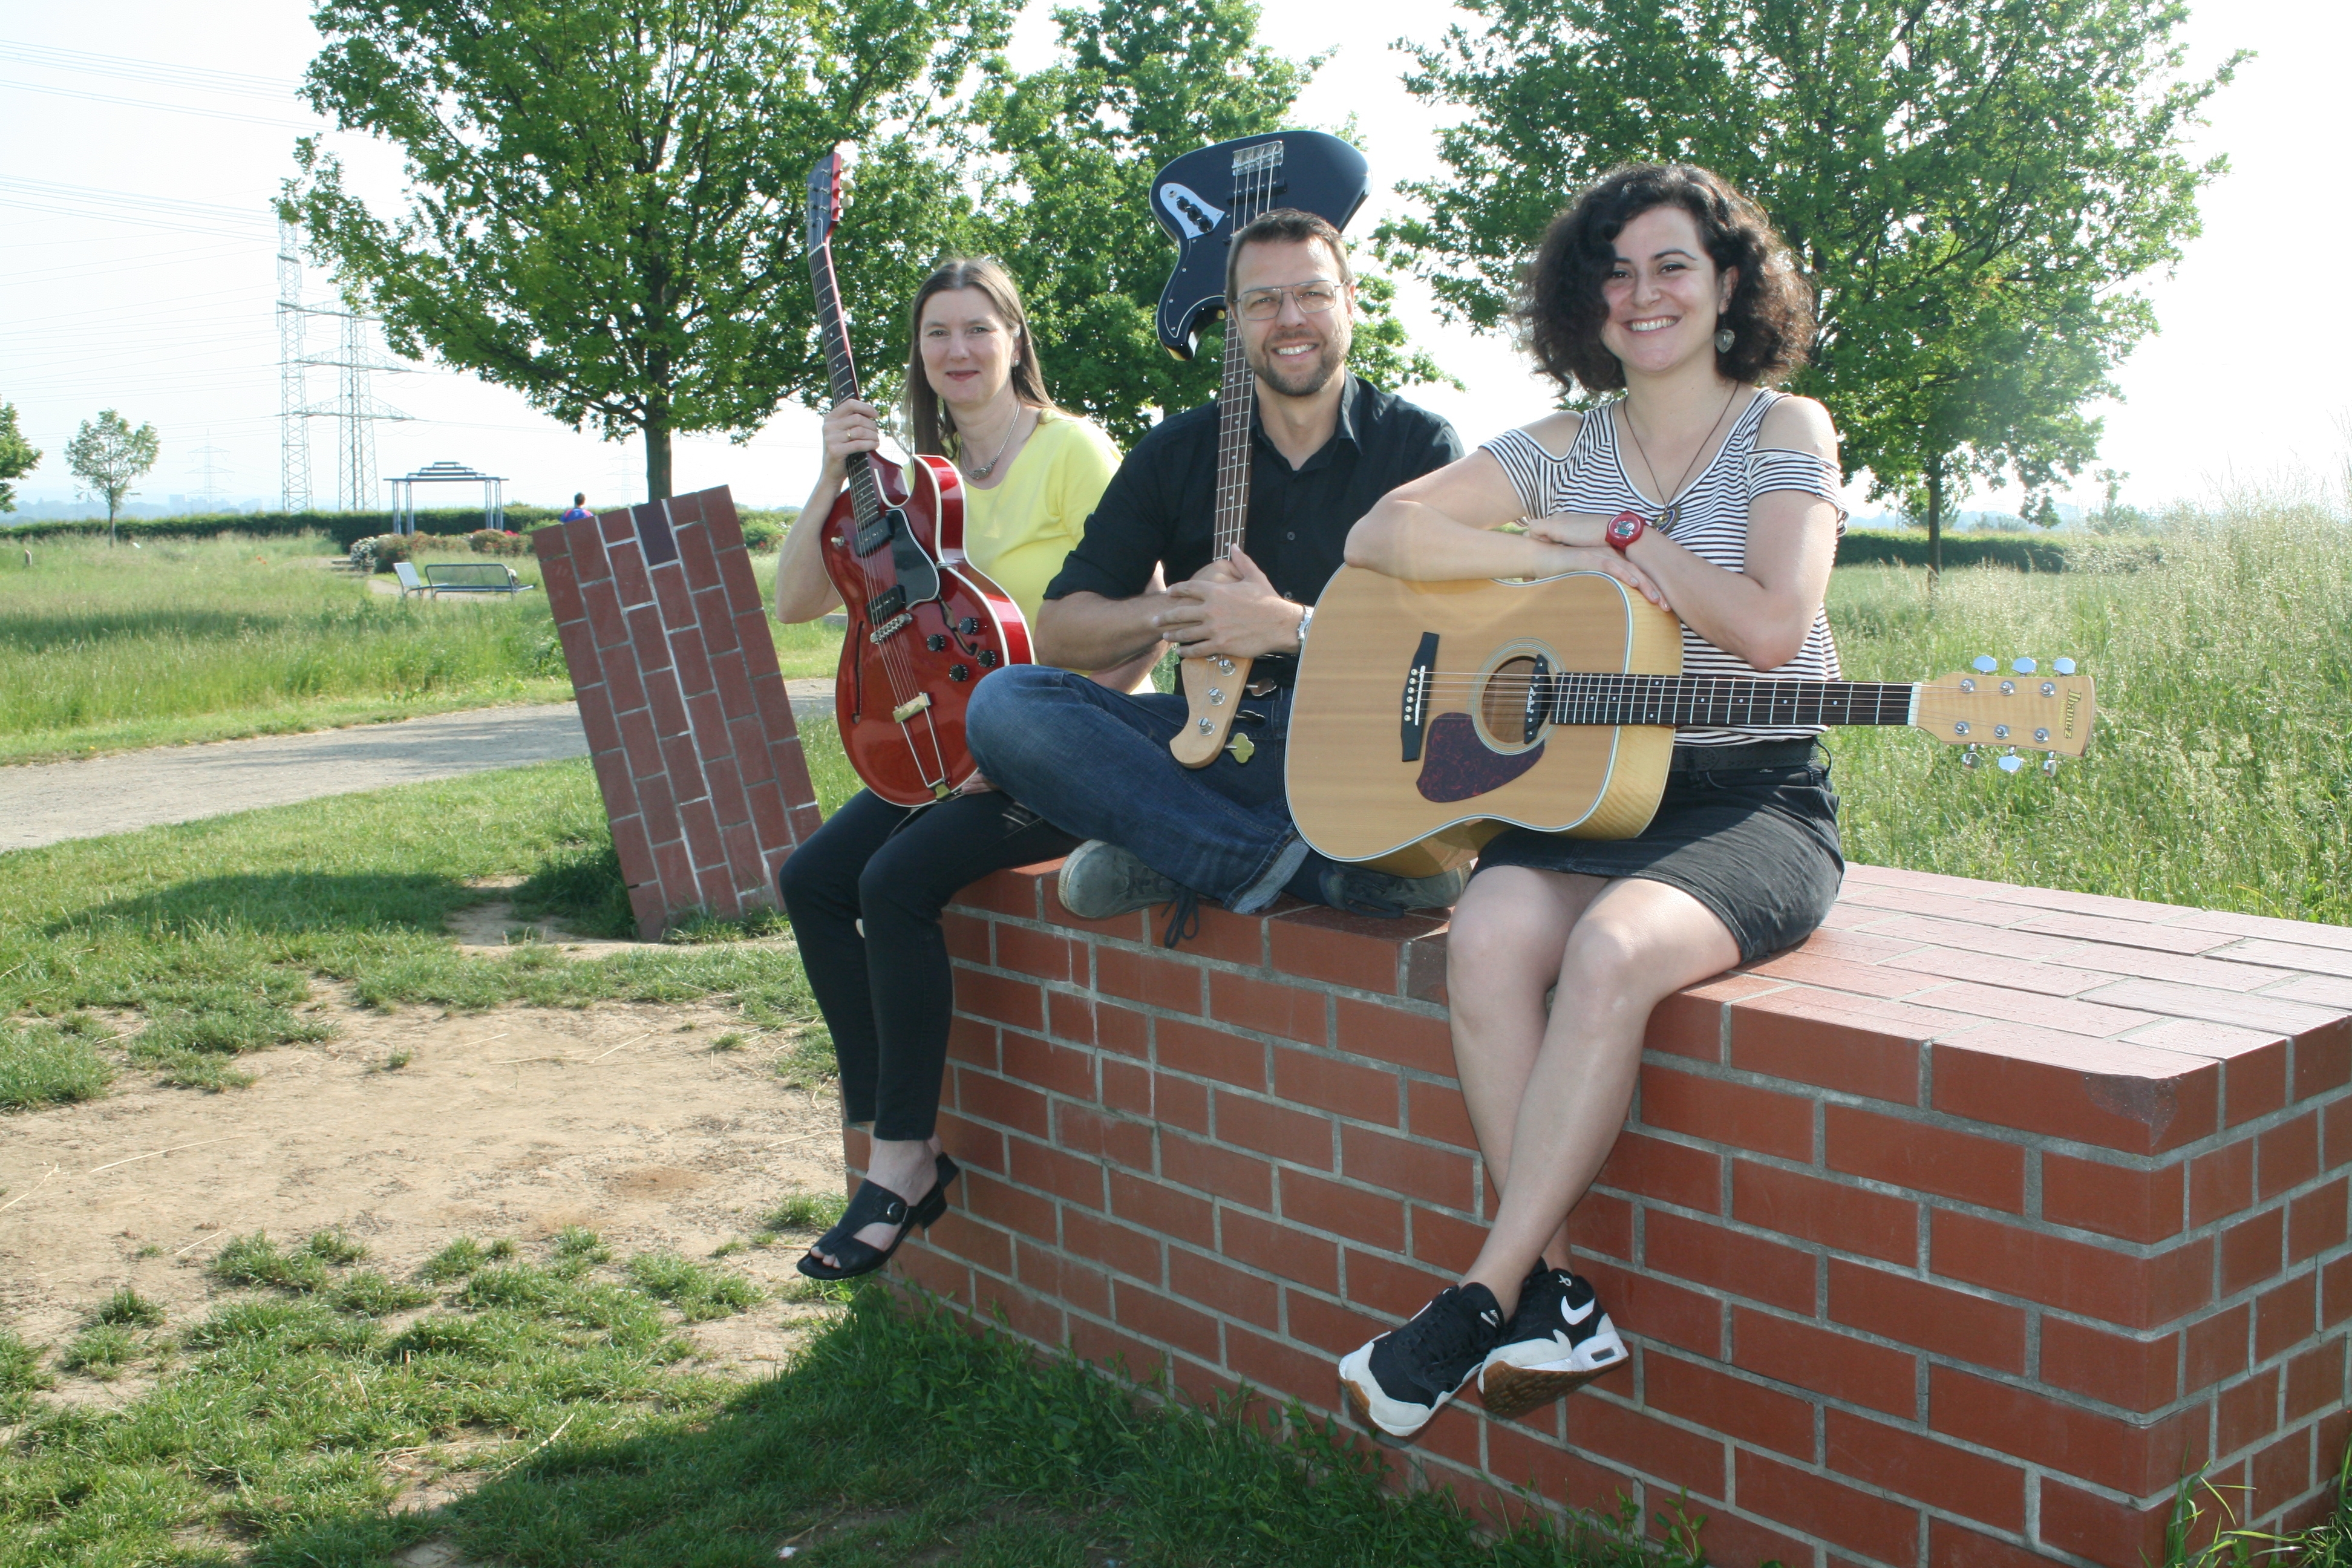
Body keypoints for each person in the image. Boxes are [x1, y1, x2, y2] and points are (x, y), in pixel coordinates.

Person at [1331, 163, 1847, 1442]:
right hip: (1595, 791)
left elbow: (1774, 629)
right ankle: (1558, 1301)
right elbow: (1381, 537)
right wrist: (1543, 547)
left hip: (1752, 802)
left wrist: (1635, 547)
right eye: (1614, 273)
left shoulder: (1786, 432)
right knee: (1492, 935)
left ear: (1728, 284)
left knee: (1613, 948)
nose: (1642, 294)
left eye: (1671, 265)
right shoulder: (1564, 448)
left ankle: (1488, 1291)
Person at [773, 258, 1140, 1280]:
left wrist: (1034, 738)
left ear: (1015, 339)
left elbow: (1138, 620)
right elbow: (798, 601)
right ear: (919, 356)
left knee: (895, 882)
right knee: (811, 880)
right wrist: (826, 473)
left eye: (978, 329)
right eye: (937, 333)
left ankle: (900, 1163)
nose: (958, 350)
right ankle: (884, 1120)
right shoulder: (901, 485)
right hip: (945, 752)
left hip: (1070, 748)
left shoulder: (1071, 452)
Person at [962, 210, 1466, 939]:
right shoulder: (1176, 452)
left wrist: (1289, 628)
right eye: (1262, 302)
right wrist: (1181, 613)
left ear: (1351, 301)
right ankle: (1292, 868)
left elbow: (1454, 646)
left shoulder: (1420, 445)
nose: (1290, 319)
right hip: (1215, 749)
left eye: (1312, 294)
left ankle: (1177, 852)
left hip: (1368, 744)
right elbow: (1063, 631)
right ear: (1234, 321)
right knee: (1004, 704)